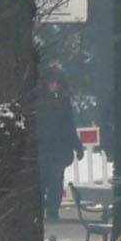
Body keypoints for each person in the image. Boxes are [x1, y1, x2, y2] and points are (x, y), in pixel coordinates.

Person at [36, 67, 80, 224]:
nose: (54, 86)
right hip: (44, 147)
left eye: (56, 83)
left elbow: (69, 125)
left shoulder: (63, 101)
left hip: (58, 148)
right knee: (42, 180)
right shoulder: (40, 101)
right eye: (51, 83)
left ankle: (53, 209)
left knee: (55, 180)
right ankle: (41, 209)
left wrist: (77, 145)